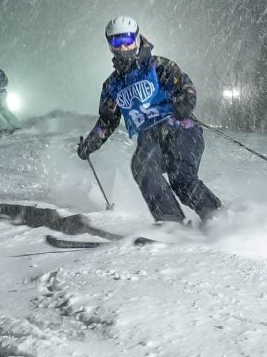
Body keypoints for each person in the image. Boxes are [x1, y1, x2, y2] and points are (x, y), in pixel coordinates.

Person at [77, 16, 222, 223]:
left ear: (137, 39)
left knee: (182, 181)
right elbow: (107, 121)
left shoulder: (158, 66)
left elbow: (185, 86)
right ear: (110, 46)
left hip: (180, 129)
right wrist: (90, 144)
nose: (123, 47)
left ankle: (218, 219)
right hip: (150, 137)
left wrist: (184, 104)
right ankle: (171, 222)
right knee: (142, 166)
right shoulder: (112, 85)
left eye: (127, 40)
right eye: (116, 42)